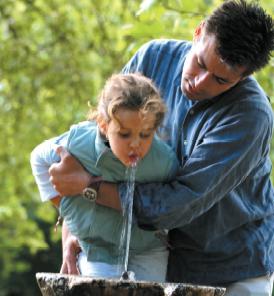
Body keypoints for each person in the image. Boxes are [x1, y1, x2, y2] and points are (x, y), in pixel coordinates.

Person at [48, 0, 274, 295]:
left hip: (235, 262)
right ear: (198, 33)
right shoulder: (151, 58)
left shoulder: (251, 115)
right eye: (199, 63)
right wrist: (76, 229)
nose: (198, 82)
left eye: (220, 79)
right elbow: (97, 146)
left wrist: (90, 188)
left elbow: (177, 204)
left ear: (243, 77)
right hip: (159, 250)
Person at [30, 73, 179, 281]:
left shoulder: (164, 162)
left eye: (145, 134)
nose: (135, 144)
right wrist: (66, 208)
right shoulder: (77, 145)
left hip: (148, 249)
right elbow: (38, 158)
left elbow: (176, 201)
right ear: (102, 123)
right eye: (125, 134)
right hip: (98, 248)